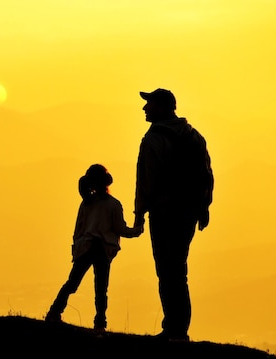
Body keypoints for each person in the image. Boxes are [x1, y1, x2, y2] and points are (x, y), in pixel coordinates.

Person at [133, 88, 214, 342]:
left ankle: (174, 330)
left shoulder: (154, 139)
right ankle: (179, 329)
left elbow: (146, 180)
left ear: (163, 107)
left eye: (150, 104)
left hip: (164, 212)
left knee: (167, 270)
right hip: (188, 212)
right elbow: (206, 175)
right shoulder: (194, 136)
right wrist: (203, 208)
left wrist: (139, 214)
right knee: (179, 270)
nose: (145, 109)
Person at [45, 164, 143, 334]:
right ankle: (100, 323)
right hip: (102, 250)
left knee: (72, 283)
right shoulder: (113, 205)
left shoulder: (86, 204)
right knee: (101, 288)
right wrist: (138, 229)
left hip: (86, 247)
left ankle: (54, 312)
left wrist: (77, 248)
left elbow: (79, 229)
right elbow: (121, 229)